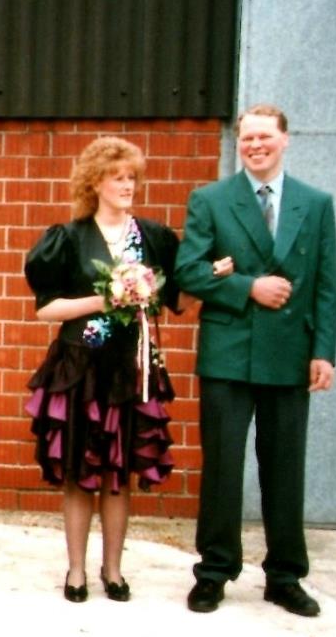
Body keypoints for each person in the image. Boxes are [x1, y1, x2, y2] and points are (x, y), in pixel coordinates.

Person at [24, 137, 226, 603]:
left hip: (131, 370)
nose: (127, 185)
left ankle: (113, 570)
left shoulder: (154, 237)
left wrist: (211, 276)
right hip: (79, 368)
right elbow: (47, 309)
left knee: (118, 474)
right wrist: (106, 299)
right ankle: (76, 570)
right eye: (117, 177)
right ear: (95, 183)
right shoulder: (68, 238)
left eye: (132, 177)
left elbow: (179, 301)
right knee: (80, 472)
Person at [175, 104, 336, 617]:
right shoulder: (211, 199)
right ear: (239, 142)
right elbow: (188, 272)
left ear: (285, 139)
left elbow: (326, 285)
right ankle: (214, 571)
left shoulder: (316, 203)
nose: (255, 145)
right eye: (247, 137)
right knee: (223, 467)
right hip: (228, 355)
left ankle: (285, 577)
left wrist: (323, 351)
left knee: (285, 469)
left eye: (265, 136)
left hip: (290, 354)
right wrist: (249, 287)